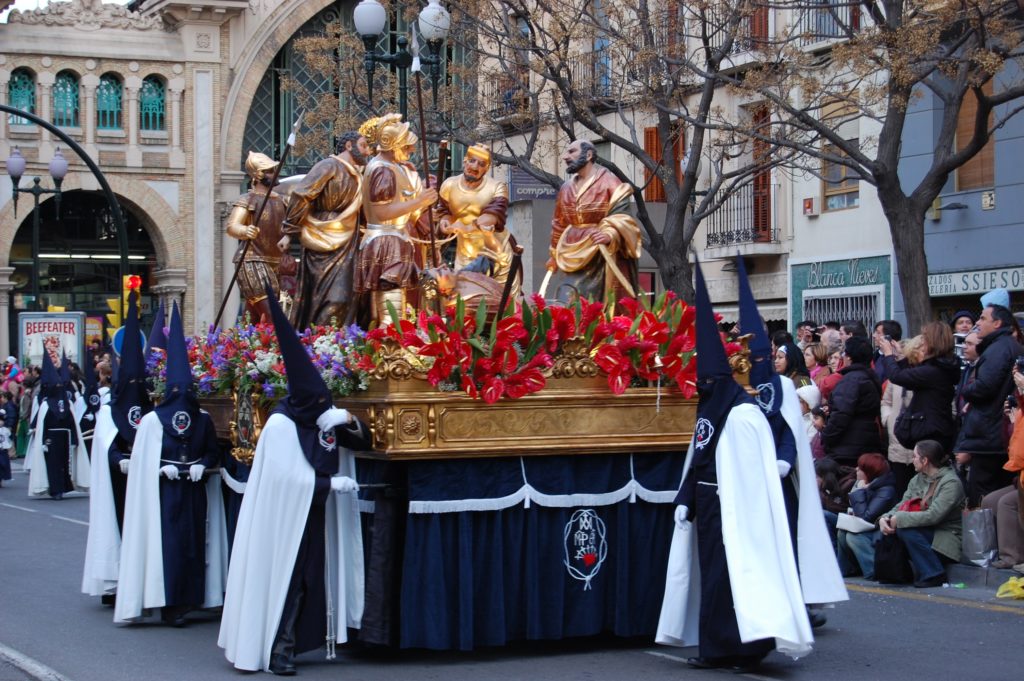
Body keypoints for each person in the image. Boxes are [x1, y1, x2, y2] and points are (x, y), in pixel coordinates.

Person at [656, 260, 813, 672]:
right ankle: (716, 648)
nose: (702, 389)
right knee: (713, 580)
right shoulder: (711, 410)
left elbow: (751, 479)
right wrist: (686, 499)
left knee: (743, 577)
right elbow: (699, 459)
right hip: (710, 509)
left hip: (740, 515)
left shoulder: (743, 416)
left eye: (707, 382)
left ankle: (749, 649)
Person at [219, 286, 367, 675]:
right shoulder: (283, 424)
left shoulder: (318, 416)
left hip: (313, 515)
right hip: (286, 518)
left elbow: (359, 441)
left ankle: (299, 640)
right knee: (290, 575)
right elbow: (284, 480)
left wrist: (348, 420)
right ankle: (278, 647)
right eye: (319, 405)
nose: (324, 409)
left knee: (309, 577)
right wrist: (327, 486)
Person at [735, 257, 847, 629]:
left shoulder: (782, 386)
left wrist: (783, 460)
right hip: (745, 476)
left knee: (786, 538)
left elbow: (788, 431)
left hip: (779, 479)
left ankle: (796, 600)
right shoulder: (734, 386)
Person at [115, 303, 227, 626]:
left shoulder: (202, 420)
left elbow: (211, 453)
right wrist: (156, 470)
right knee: (170, 546)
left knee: (194, 544)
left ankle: (190, 598)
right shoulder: (151, 422)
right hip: (163, 493)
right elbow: (140, 462)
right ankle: (169, 603)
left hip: (193, 490)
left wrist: (202, 464)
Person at [82, 291, 153, 603]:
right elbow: (106, 441)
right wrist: (117, 459)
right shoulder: (111, 408)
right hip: (118, 478)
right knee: (118, 523)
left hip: (146, 475)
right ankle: (114, 578)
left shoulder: (150, 410)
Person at [354, 114, 438, 324]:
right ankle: (390, 349)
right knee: (391, 310)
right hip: (386, 240)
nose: (410, 150)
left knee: (394, 304)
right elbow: (383, 212)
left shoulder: (390, 166)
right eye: (405, 146)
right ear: (390, 144)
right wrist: (419, 201)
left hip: (393, 238)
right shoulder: (383, 170)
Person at [283, 132, 369, 329]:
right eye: (363, 145)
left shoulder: (358, 175)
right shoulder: (328, 166)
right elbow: (301, 195)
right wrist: (289, 230)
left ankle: (336, 345)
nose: (367, 151)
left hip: (349, 241)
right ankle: (319, 344)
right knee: (327, 298)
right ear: (348, 145)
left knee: (347, 297)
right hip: (322, 237)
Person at [543, 139, 642, 305]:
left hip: (600, 256)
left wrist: (609, 234)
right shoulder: (566, 188)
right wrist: (553, 254)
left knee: (586, 303)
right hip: (571, 252)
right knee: (565, 296)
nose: (565, 156)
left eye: (571, 151)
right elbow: (559, 223)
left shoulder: (610, 182)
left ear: (588, 155)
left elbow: (623, 217)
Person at [954, 303, 1023, 506]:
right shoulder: (1006, 347)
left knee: (982, 497)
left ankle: (985, 539)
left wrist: (966, 389)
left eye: (983, 318)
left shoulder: (998, 349)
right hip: (996, 432)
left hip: (990, 434)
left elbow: (985, 387)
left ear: (997, 323)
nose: (977, 323)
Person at [879, 439, 966, 588]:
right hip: (926, 533)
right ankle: (901, 574)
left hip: (946, 536)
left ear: (925, 460)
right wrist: (885, 518)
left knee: (906, 530)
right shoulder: (917, 479)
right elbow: (902, 505)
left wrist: (899, 518)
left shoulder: (951, 483)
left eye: (914, 456)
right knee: (892, 529)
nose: (912, 460)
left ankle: (934, 573)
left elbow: (934, 515)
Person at [226, 151, 289, 323]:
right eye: (269, 170)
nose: (275, 173)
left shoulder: (283, 201)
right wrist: (245, 231)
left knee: (255, 317)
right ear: (258, 175)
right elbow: (232, 226)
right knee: (272, 315)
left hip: (274, 263)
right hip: (251, 259)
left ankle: (239, 347)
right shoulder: (248, 199)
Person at [26, 350, 89, 499]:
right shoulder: (47, 405)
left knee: (63, 465)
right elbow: (44, 424)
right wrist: (43, 441)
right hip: (51, 438)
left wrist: (74, 439)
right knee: (53, 465)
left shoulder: (68, 405)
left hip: (65, 437)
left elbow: (73, 423)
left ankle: (64, 487)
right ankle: (55, 489)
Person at [821, 336, 882, 466]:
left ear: (849, 357)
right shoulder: (870, 376)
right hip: (865, 439)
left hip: (848, 445)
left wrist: (827, 436)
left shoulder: (851, 379)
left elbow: (841, 413)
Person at [836, 453, 898, 580]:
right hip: (869, 527)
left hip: (880, 530)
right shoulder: (867, 484)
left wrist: (859, 492)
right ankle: (846, 569)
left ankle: (874, 570)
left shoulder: (886, 490)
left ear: (869, 472)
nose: (856, 469)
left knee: (853, 537)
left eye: (860, 468)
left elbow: (866, 516)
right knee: (842, 532)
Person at [879, 336, 918, 498]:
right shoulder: (894, 380)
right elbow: (886, 401)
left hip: (917, 439)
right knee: (900, 489)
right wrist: (888, 419)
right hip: (896, 439)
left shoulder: (920, 376)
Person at [0, 391, 15, 487]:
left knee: (3, 462)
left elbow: (10, 418)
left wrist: (7, 425)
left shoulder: (7, 407)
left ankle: (1, 478)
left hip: (2, 445)